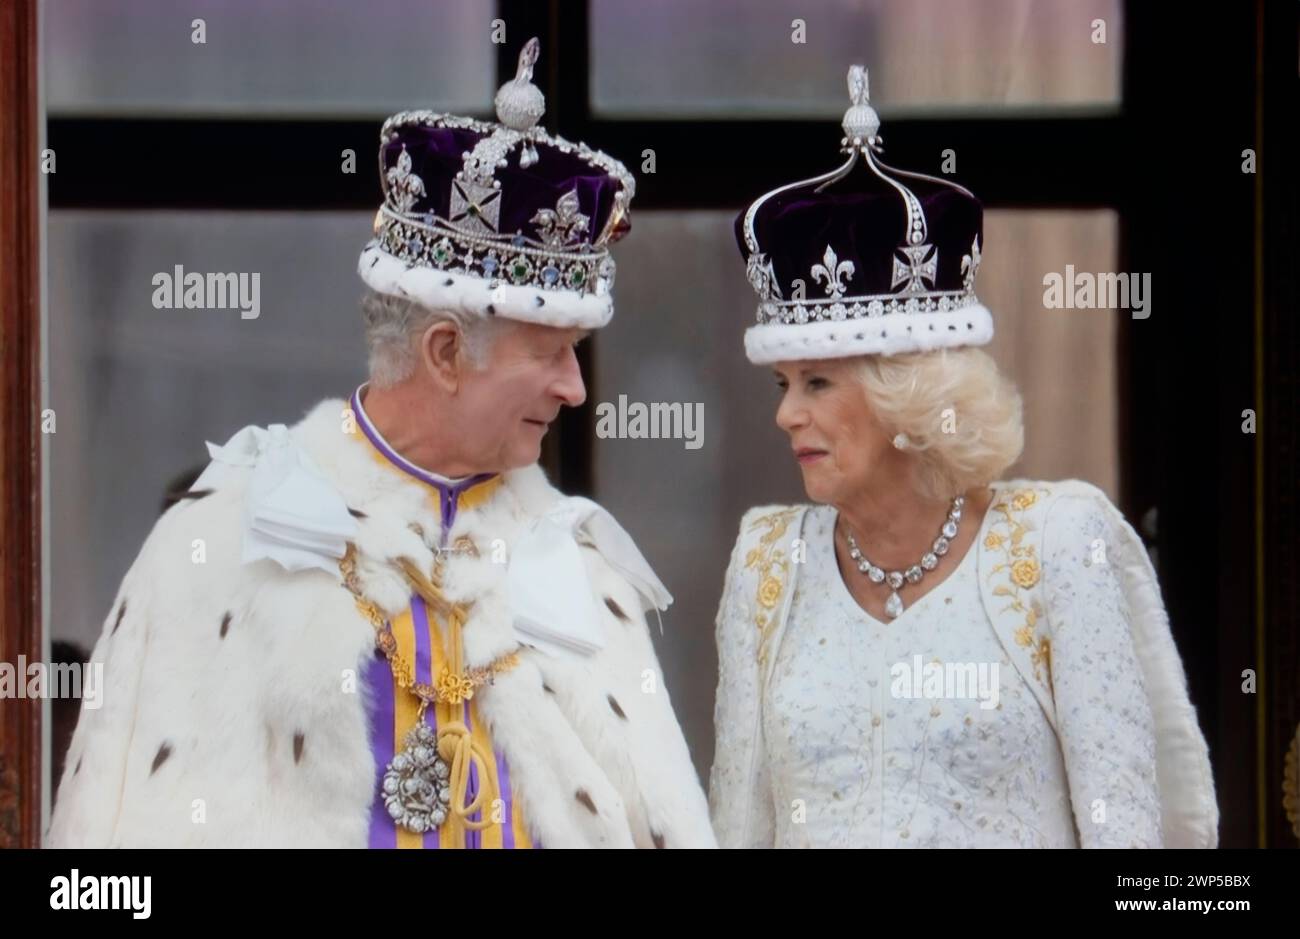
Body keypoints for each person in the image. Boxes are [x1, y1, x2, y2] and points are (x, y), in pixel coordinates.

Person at [49, 39, 714, 849]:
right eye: (549, 353)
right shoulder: (219, 540)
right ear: (443, 352)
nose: (575, 388)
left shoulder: (581, 569)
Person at [707, 66, 1217, 848]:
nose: (786, 412)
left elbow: (1132, 839)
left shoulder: (1057, 543)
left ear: (908, 396)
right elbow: (739, 826)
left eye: (817, 381)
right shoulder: (766, 564)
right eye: (784, 381)